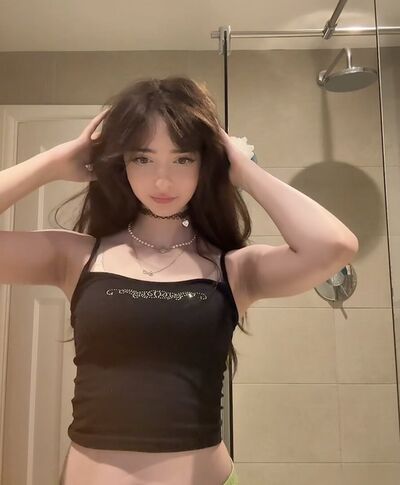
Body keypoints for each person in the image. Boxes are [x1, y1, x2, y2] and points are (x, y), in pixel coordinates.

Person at [0, 76, 358, 484]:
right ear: (121, 163)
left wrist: (244, 171)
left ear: (206, 162)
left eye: (183, 159)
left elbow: (334, 247)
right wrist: (52, 163)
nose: (162, 181)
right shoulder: (76, 257)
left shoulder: (234, 269)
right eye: (143, 158)